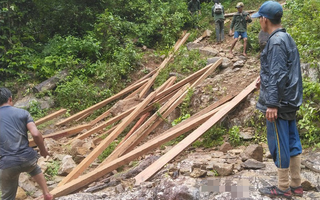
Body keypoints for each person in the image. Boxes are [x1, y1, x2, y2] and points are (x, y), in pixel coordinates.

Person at [253, 1, 303, 199]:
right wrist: (262, 77)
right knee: (292, 141)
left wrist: (272, 103)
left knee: (279, 143)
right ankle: (296, 185)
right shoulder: (286, 37)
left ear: (265, 20)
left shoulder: (274, 42)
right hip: (289, 100)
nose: (260, 22)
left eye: (260, 19)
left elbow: (278, 73)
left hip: (279, 104)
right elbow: (283, 69)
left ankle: (283, 187)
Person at [0, 87, 53, 200]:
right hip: (27, 158)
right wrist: (43, 150)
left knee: (7, 197)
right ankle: (46, 193)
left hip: (7, 163)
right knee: (34, 168)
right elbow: (36, 134)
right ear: (10, 99)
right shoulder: (23, 113)